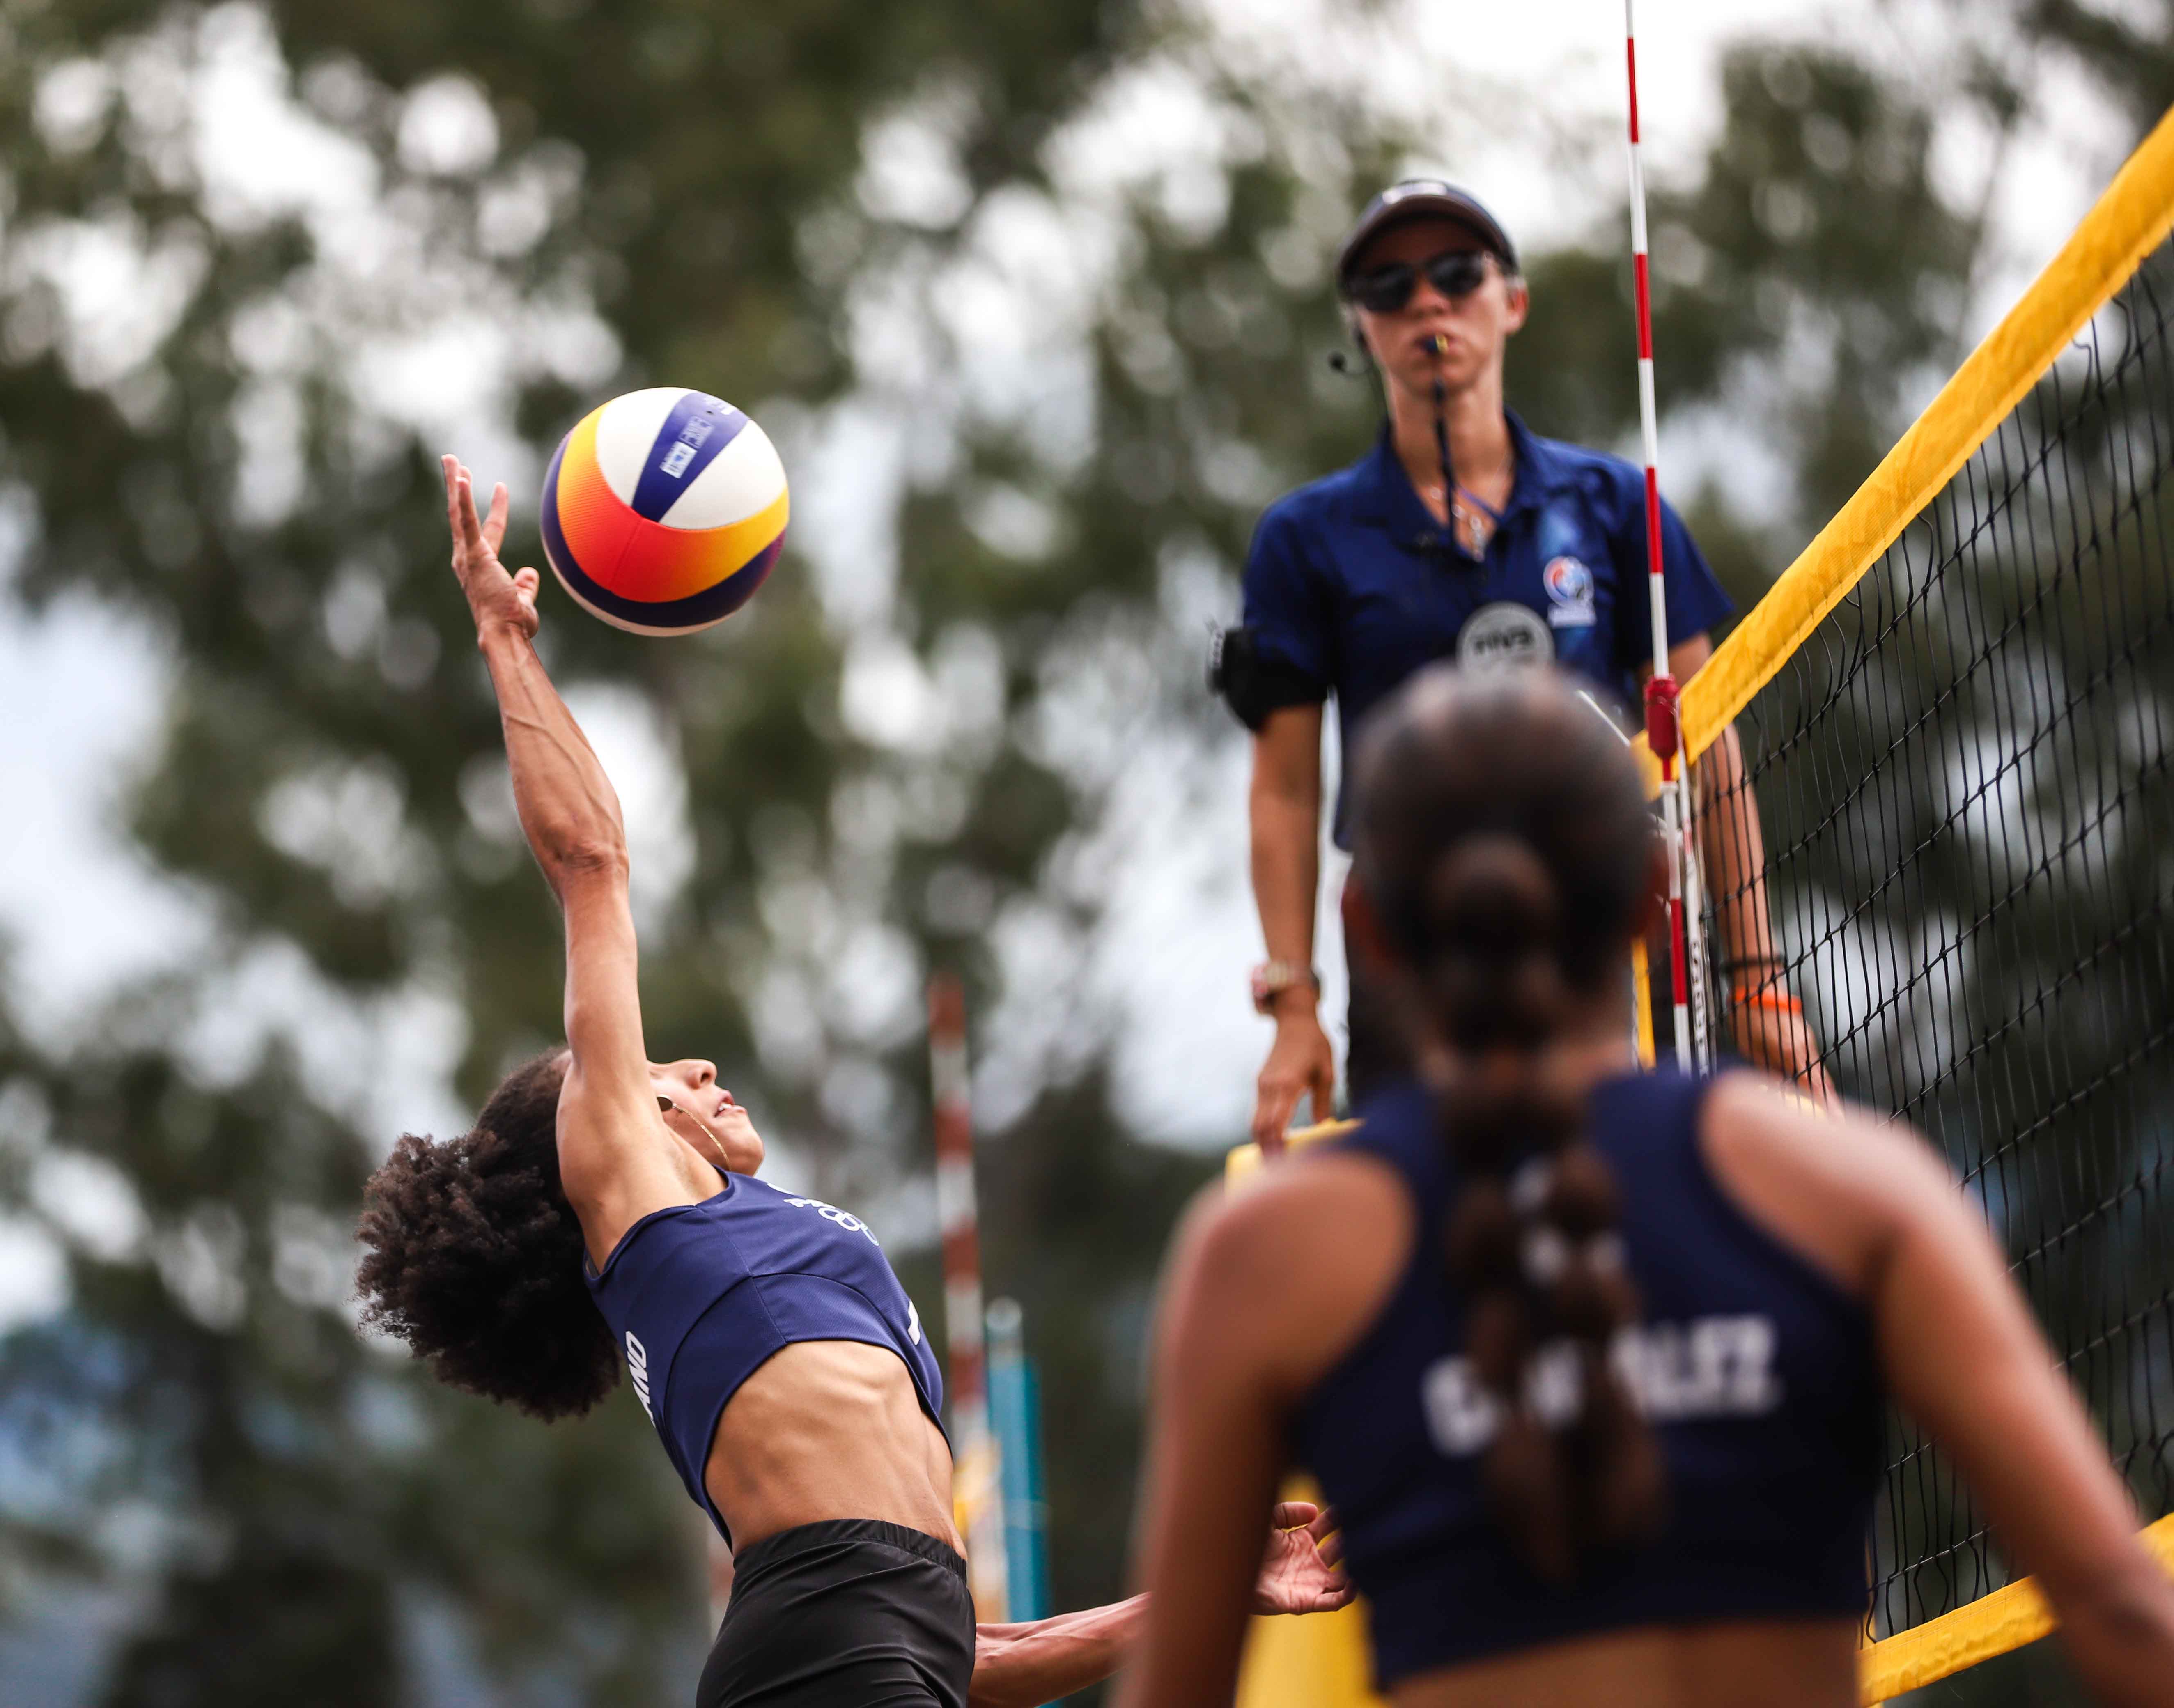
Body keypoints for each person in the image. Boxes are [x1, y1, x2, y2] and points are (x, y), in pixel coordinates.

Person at [355, 459, 1350, 1708]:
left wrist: (1210, 1592)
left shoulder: (764, 1266)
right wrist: (505, 640)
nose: (694, 1067)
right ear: (601, 1134)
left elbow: (961, 1651)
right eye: (654, 1072)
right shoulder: (633, 1198)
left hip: (863, 1656)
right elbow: (593, 861)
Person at [1118, 668, 2174, 1708]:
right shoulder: (1848, 1186)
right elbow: (2126, 1617)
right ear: (1653, 889)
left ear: (1366, 927)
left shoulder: (1267, 1255)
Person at [1210, 178, 1825, 1144]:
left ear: (1512, 300)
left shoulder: (1617, 505)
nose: (1428, 302)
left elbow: (1710, 740)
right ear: (1362, 325)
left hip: (1602, 922)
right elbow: (1284, 790)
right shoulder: (1305, 538)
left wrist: (1755, 975)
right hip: (1410, 943)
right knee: (1435, 1204)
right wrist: (1294, 1007)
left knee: (1625, 1179)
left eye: (1458, 273)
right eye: (1390, 286)